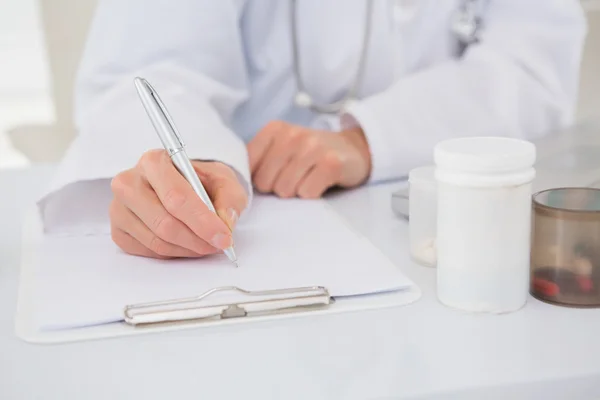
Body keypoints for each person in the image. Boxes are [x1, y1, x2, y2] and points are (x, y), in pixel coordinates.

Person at [39, 0, 586, 260]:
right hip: (248, 214)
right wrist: (190, 168)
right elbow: (151, 66)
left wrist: (367, 137)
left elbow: (533, 64)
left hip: (438, 224)